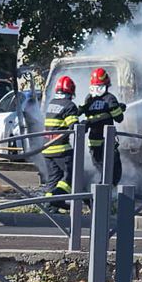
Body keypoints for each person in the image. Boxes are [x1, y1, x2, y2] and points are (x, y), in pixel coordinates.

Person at [80, 67, 126, 184]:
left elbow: (88, 114)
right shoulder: (110, 98)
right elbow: (119, 118)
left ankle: (102, 190)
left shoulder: (88, 99)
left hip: (93, 142)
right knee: (114, 172)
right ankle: (106, 192)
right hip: (107, 142)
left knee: (102, 169)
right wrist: (118, 109)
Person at [42, 75, 80, 210]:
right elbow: (74, 126)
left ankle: (49, 205)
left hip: (47, 148)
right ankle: (57, 199)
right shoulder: (70, 105)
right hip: (61, 149)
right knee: (72, 175)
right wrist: (84, 123)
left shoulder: (52, 103)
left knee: (53, 178)